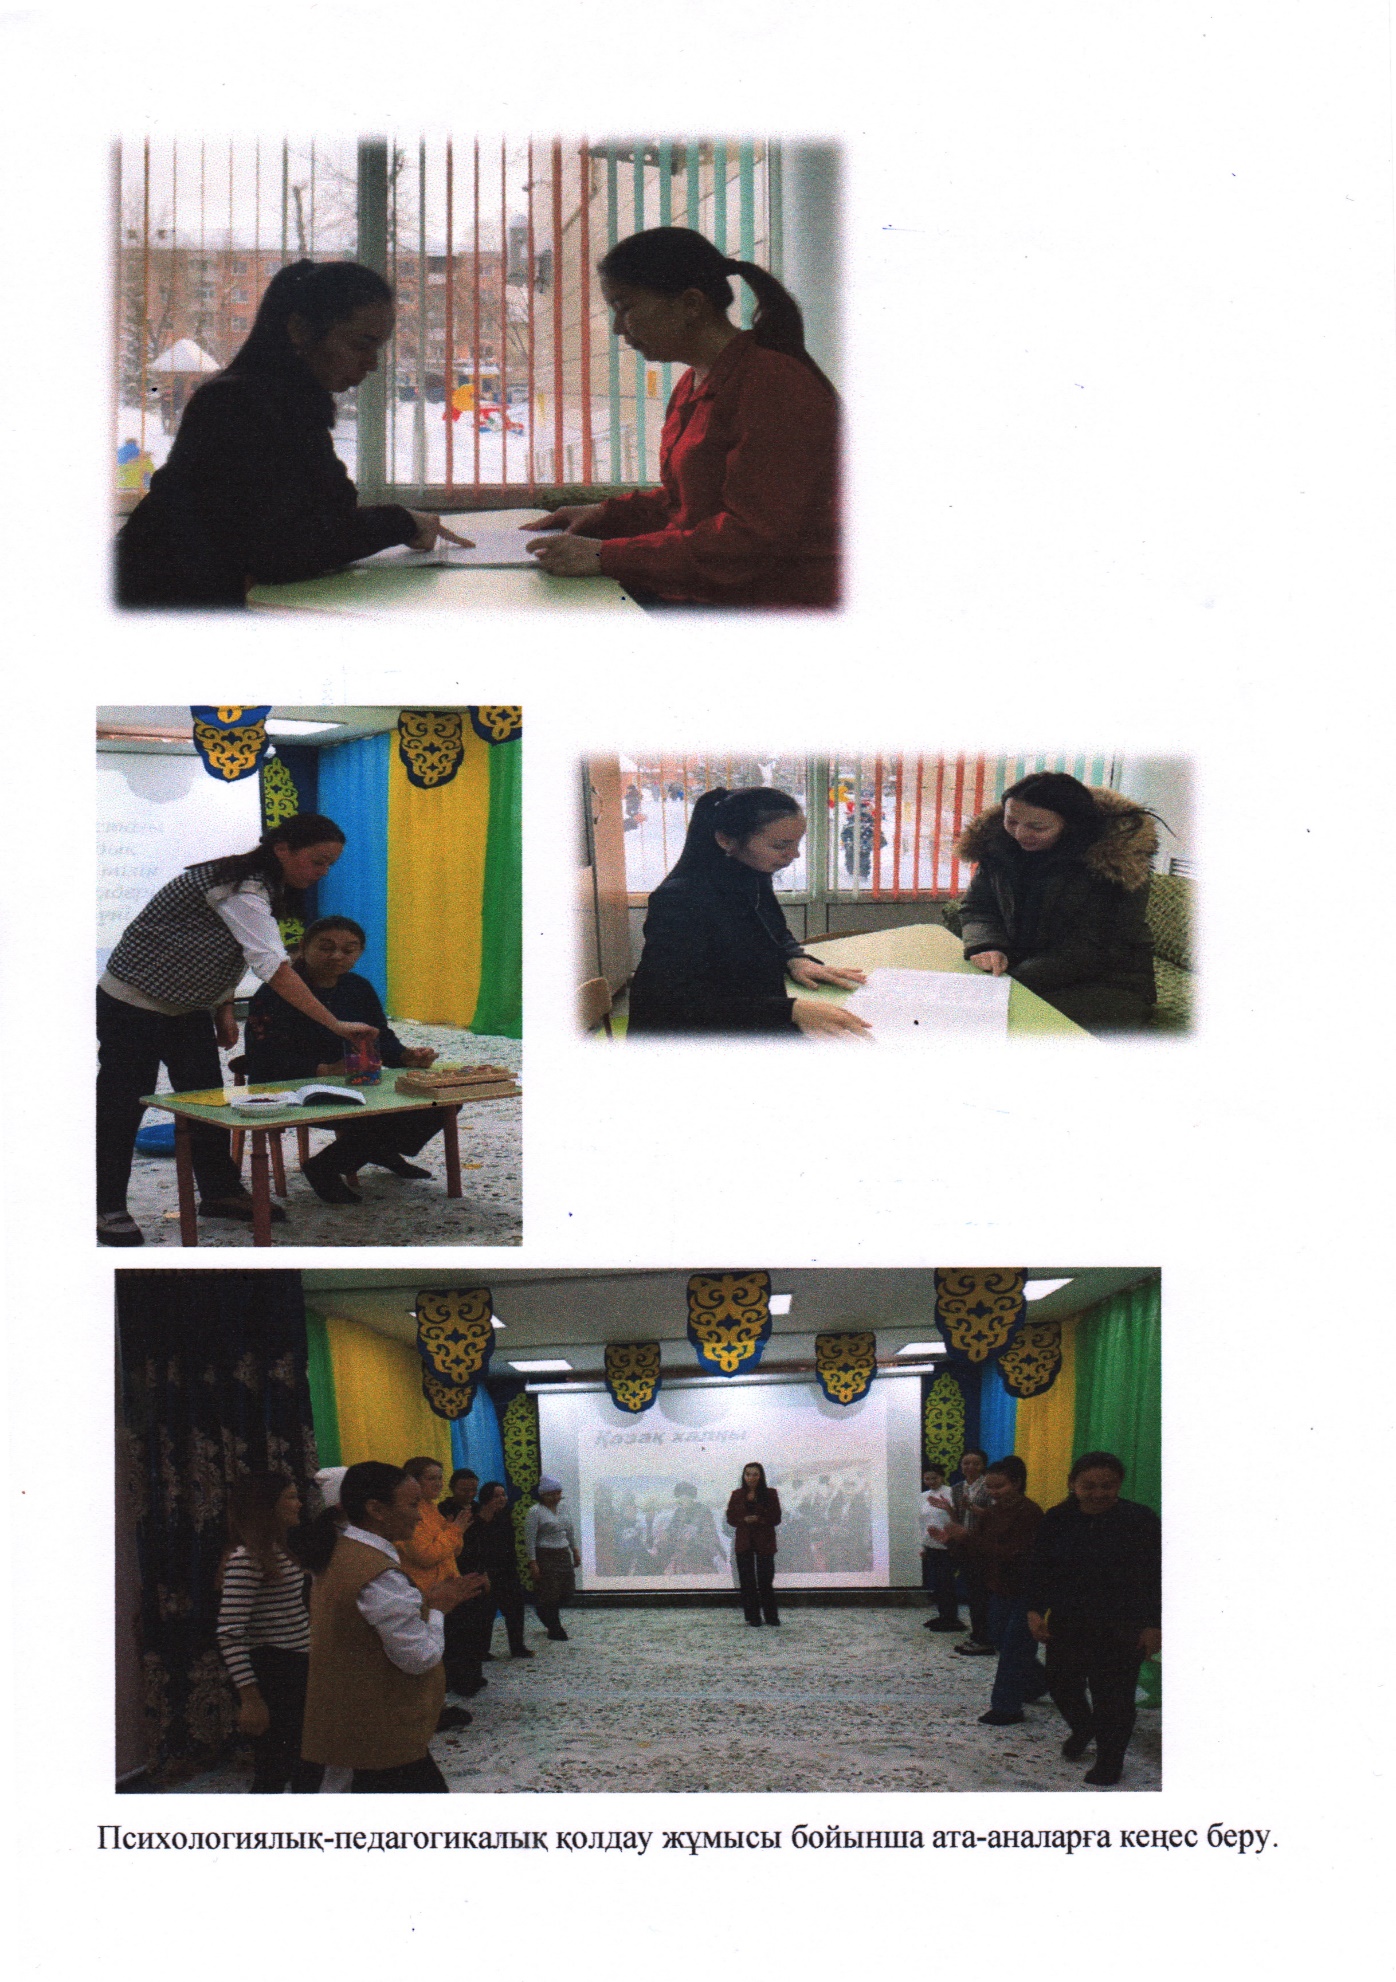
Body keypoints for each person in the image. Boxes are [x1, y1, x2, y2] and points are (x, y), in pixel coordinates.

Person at [116, 259, 469, 607]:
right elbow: (287, 547)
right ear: (299, 330)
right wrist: (401, 522)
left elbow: (325, 517)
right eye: (361, 344)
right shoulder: (236, 405)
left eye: (377, 348)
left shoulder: (290, 403)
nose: (373, 363)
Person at [96, 815, 379, 1246]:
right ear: (282, 849)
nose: (323, 872)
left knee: (206, 1101)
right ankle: (108, 1205)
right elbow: (272, 966)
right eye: (318, 861)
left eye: (330, 864)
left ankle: (220, 1192)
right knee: (122, 1105)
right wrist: (335, 1024)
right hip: (131, 1002)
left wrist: (223, 1007)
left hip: (187, 1007)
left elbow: (225, 950)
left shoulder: (265, 884)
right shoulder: (240, 888)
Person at [524, 227, 838, 608]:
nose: (617, 328)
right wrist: (604, 515)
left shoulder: (773, 385)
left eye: (625, 308)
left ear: (691, 304)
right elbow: (687, 505)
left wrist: (605, 555)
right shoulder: (693, 384)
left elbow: (750, 540)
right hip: (715, 595)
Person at [297, 1461, 483, 1793]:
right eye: (412, 1505)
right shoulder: (378, 1573)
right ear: (377, 1510)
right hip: (379, 1731)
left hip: (354, 1720)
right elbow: (419, 1657)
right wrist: (437, 1609)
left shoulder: (341, 1552)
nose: (418, 1516)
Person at [626, 787, 870, 1038]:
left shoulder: (751, 872)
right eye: (780, 845)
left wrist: (794, 959)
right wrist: (790, 1010)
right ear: (725, 840)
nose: (794, 855)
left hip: (747, 1015)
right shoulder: (680, 898)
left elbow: (773, 931)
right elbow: (679, 1001)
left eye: (797, 843)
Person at [243, 915, 441, 1204]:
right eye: (326, 947)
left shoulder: (358, 987)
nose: (337, 956)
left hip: (353, 1082)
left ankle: (373, 1150)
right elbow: (261, 1058)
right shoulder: (275, 992)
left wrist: (405, 1056)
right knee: (374, 1114)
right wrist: (323, 1070)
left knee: (439, 1101)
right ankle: (330, 1165)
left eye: (349, 950)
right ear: (304, 947)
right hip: (291, 1086)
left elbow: (379, 1037)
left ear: (359, 953)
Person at [955, 773, 1159, 1034]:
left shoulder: (1114, 867)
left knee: (1013, 1027)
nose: (1019, 833)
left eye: (1037, 827)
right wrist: (987, 945)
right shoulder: (999, 847)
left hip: (1107, 984)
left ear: (1071, 826)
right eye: (1011, 821)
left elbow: (1095, 948)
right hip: (1023, 971)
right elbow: (979, 906)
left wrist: (1015, 980)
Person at [1024, 1451, 1162, 1787]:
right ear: (1072, 1484)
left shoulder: (1140, 1519)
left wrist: (1153, 1624)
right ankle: (1083, 1727)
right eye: (1089, 1486)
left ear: (1119, 1485)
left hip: (1123, 1624)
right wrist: (1034, 1609)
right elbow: (1040, 1568)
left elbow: (1157, 1576)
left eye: (1107, 1485)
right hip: (1069, 1620)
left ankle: (1110, 1761)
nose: (1098, 1493)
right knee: (1061, 1684)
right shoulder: (1058, 1519)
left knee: (1113, 1697)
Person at [215, 1472, 322, 1793]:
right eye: (290, 1497)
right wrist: (251, 1699)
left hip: (296, 1664)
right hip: (274, 1671)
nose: (298, 1504)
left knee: (307, 1763)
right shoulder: (246, 1558)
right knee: (276, 1769)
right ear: (267, 1506)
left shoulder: (279, 1549)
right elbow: (229, 1632)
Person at [941, 1456, 1049, 1726]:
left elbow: (1015, 1554)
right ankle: (1041, 1682)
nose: (992, 1492)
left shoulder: (1030, 1513)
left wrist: (967, 1537)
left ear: (1017, 1483)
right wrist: (953, 1541)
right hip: (999, 1588)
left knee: (1014, 1648)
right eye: (989, 1487)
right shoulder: (993, 1512)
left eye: (999, 1486)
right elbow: (979, 1549)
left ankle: (1006, 1707)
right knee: (1001, 1640)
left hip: (1026, 1591)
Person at [396, 1458, 475, 1724]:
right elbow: (426, 1555)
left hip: (445, 1593)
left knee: (445, 1652)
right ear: (413, 1481)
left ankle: (439, 1705)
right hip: (426, 1595)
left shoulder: (431, 1509)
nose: (439, 1484)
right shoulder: (410, 1512)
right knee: (430, 1655)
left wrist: (453, 1532)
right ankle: (432, 1712)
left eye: (440, 1478)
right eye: (431, 1478)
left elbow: (452, 1550)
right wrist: (454, 1531)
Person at [461, 1482, 534, 1661]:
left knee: (515, 1611)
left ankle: (517, 1647)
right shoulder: (475, 1521)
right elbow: (473, 1550)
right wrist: (482, 1573)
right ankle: (482, 1651)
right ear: (486, 1498)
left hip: (508, 1572)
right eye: (496, 1496)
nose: (502, 1499)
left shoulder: (505, 1516)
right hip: (486, 1574)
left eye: (503, 1495)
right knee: (486, 1614)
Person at [725, 1462, 783, 1625]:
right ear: (743, 1476)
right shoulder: (736, 1494)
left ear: (761, 1476)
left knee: (765, 1581)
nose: (751, 1478)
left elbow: (776, 1518)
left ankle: (771, 1617)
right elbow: (730, 1518)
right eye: (748, 1474)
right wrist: (744, 1519)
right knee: (747, 1581)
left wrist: (759, 1519)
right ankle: (753, 1617)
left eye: (755, 1474)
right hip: (744, 1542)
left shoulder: (770, 1493)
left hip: (765, 1542)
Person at [949, 1450, 995, 1655]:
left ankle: (985, 1638)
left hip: (984, 1546)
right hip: (965, 1547)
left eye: (976, 1463)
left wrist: (973, 1508)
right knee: (973, 1593)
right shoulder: (957, 1488)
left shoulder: (990, 1486)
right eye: (966, 1463)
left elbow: (996, 1516)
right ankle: (977, 1634)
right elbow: (958, 1517)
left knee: (982, 1594)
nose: (970, 1467)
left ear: (983, 1465)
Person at [525, 1477, 581, 1641]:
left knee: (567, 1591)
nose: (556, 1497)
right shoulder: (535, 1511)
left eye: (558, 1493)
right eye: (551, 1494)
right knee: (551, 1593)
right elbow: (530, 1539)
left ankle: (542, 1609)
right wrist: (533, 1562)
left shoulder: (563, 1507)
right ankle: (555, 1628)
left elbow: (569, 1530)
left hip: (563, 1553)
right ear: (543, 1494)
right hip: (545, 1554)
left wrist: (574, 1550)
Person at [918, 1464, 962, 1631]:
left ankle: (952, 1618)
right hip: (930, 1544)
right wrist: (922, 1545)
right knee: (937, 1583)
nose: (931, 1481)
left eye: (934, 1478)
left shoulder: (951, 1493)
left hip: (947, 1545)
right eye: (927, 1478)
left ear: (942, 1477)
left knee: (947, 1583)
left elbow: (957, 1518)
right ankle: (943, 1615)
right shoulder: (923, 1496)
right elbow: (921, 1523)